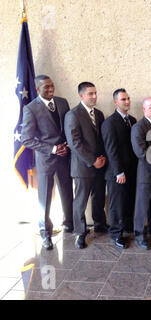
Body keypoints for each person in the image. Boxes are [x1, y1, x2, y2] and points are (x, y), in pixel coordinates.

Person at [21, 75, 73, 250]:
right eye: (46, 88)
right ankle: (45, 234)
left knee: (67, 191)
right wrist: (52, 149)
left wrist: (66, 145)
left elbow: (68, 126)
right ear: (37, 89)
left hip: (64, 156)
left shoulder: (63, 102)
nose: (51, 90)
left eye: (52, 86)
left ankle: (69, 224)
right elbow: (26, 139)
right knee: (44, 198)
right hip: (46, 159)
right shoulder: (30, 109)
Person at [64, 82, 108, 249]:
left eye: (95, 93)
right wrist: (92, 160)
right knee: (80, 201)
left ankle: (100, 224)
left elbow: (101, 138)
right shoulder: (73, 115)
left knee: (99, 197)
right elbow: (75, 143)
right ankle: (80, 233)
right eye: (90, 94)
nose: (94, 96)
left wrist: (102, 158)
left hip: (100, 165)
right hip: (83, 167)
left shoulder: (99, 114)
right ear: (81, 96)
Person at [101, 88, 137, 249]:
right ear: (116, 102)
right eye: (123, 99)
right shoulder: (109, 123)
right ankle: (116, 233)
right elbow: (111, 149)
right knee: (117, 205)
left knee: (128, 201)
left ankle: (127, 228)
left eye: (128, 98)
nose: (127, 101)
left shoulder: (133, 120)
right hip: (117, 173)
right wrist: (118, 172)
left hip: (131, 170)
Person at [131, 97, 151, 250]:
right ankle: (139, 234)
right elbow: (141, 152)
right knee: (142, 205)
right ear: (144, 109)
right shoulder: (138, 127)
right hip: (146, 173)